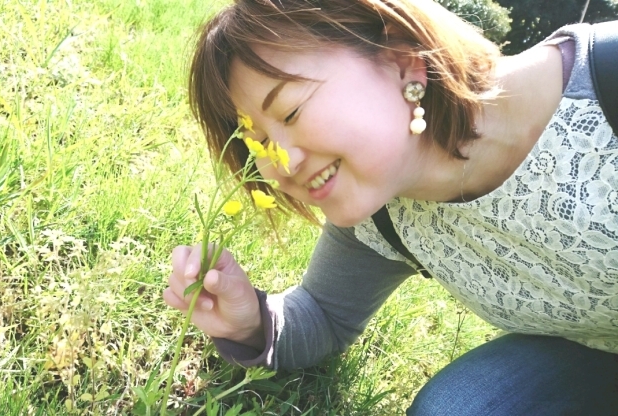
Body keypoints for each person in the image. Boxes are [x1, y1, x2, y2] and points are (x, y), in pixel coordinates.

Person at [163, 0, 618, 414]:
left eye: (290, 113)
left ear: (403, 62)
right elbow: (324, 316)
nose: (283, 163)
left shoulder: (606, 83)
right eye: (258, 142)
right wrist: (249, 322)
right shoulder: (382, 218)